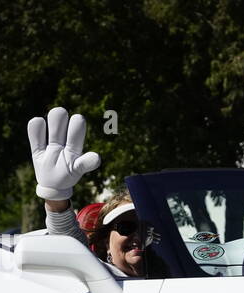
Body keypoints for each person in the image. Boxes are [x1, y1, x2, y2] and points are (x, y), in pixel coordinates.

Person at [27, 107, 151, 278]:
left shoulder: (181, 272)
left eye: (147, 228)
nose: (138, 235)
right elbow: (68, 240)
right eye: (126, 227)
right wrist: (56, 194)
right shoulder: (97, 274)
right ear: (105, 243)